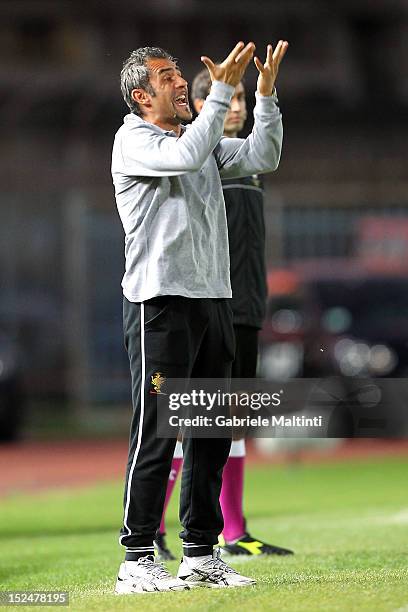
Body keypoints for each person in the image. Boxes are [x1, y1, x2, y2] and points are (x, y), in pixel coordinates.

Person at [112, 40, 288, 594]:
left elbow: (263, 156)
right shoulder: (133, 139)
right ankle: (136, 558)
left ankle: (200, 554)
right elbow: (184, 156)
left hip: (214, 300)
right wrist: (221, 94)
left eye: (180, 74)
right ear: (142, 96)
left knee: (209, 434)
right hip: (159, 303)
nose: (182, 82)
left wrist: (263, 95)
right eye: (168, 78)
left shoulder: (202, 138)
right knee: (157, 432)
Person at [154, 70, 293, 561]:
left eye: (240, 98)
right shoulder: (201, 159)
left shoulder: (247, 160)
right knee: (192, 417)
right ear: (197, 103)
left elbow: (265, 150)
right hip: (213, 303)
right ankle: (155, 527)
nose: (234, 106)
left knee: (230, 421)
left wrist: (267, 93)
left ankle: (235, 531)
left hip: (248, 304)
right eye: (223, 97)